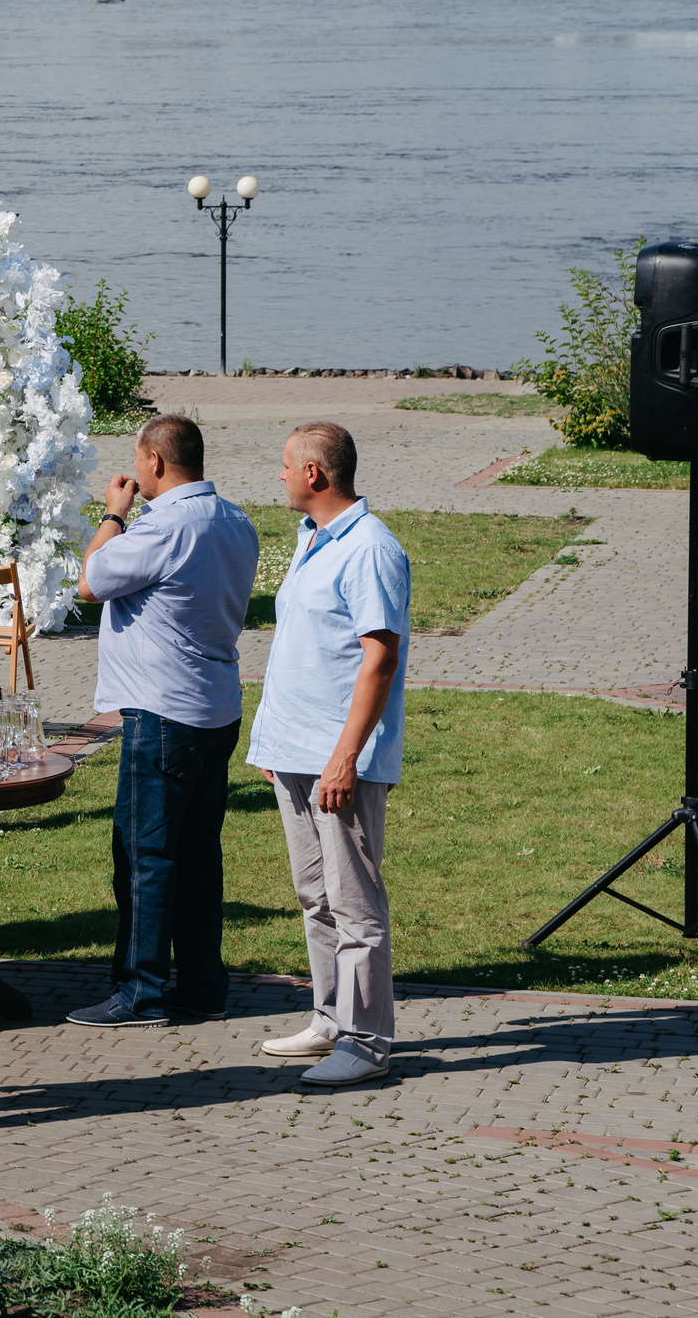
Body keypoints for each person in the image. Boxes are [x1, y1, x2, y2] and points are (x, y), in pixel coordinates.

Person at [64, 414, 259, 1029]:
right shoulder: (236, 521)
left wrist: (114, 514)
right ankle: (202, 983)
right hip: (215, 704)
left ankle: (142, 990)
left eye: (138, 462)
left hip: (163, 710)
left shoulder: (162, 527)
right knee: (198, 851)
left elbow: (89, 582)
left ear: (154, 462)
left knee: (144, 852)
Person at [246, 422, 409, 1090]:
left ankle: (367, 1042)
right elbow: (304, 647)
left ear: (314, 473)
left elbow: (380, 658)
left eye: (285, 466)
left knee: (354, 901)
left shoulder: (371, 548)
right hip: (294, 749)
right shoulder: (311, 537)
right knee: (315, 894)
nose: (279, 475)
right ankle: (329, 1018)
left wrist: (345, 757)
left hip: (337, 757)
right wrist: (272, 739)